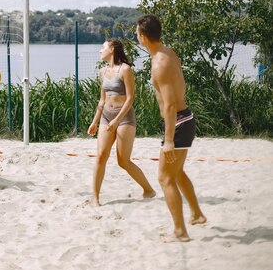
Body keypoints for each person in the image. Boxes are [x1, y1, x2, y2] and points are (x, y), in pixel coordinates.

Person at [136, 15, 207, 242]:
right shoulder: (168, 52)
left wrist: (168, 140)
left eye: (137, 33)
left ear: (143, 36)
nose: (136, 36)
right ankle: (196, 214)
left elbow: (169, 104)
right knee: (176, 173)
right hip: (185, 119)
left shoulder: (160, 64)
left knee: (165, 179)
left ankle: (180, 231)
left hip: (177, 123)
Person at [87, 39, 156, 206]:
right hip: (106, 117)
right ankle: (95, 197)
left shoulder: (125, 70)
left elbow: (130, 99)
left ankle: (149, 190)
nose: (100, 51)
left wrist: (117, 121)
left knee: (123, 161)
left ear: (111, 49)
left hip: (124, 118)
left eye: (103, 47)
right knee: (101, 156)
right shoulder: (102, 71)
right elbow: (102, 100)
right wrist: (95, 122)